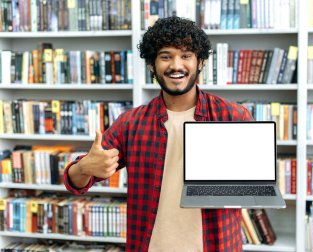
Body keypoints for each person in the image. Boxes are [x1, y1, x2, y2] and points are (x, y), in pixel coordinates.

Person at [63, 16, 253, 251]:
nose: (176, 65)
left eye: (186, 56)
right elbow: (76, 182)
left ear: (200, 62)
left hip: (216, 245)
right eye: (165, 56)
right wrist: (83, 168)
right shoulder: (131, 123)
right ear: (152, 65)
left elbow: (251, 188)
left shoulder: (233, 116)